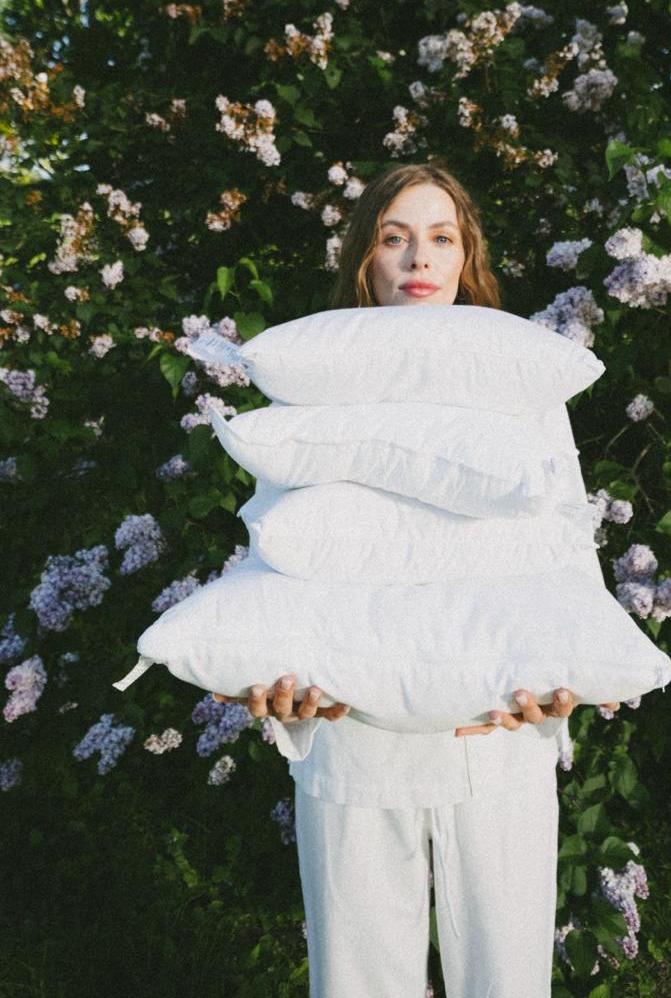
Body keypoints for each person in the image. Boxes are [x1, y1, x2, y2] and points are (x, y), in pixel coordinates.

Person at [213, 161, 617, 998]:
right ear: (364, 257)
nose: (418, 258)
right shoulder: (314, 385)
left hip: (494, 744)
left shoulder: (519, 390)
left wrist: (560, 690)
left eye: (441, 237)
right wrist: (287, 698)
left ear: (467, 258)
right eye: (394, 237)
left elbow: (565, 552)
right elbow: (276, 560)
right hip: (354, 752)